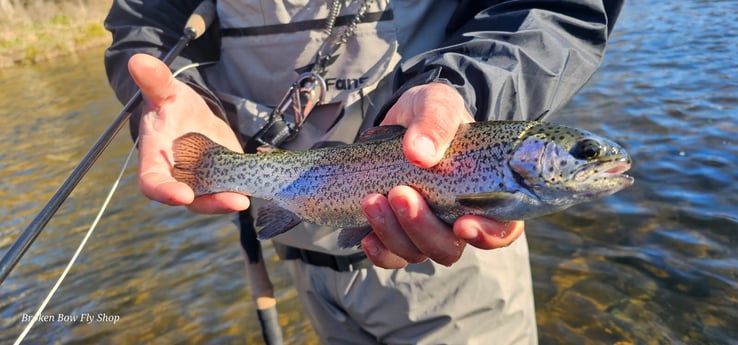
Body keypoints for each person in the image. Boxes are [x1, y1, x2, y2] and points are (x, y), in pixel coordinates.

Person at [104, 0, 624, 343]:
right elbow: (142, 23)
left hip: (453, 275)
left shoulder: (510, 165)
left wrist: (463, 86)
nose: (594, 161)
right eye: (583, 152)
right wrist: (161, 92)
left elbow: (555, 11)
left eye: (583, 154)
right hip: (302, 265)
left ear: (530, 152)